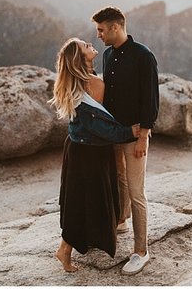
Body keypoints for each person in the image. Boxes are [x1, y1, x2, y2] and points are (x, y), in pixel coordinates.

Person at [49, 38, 138, 272]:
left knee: (77, 200)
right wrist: (129, 131)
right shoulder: (93, 84)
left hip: (76, 150)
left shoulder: (75, 82)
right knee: (85, 202)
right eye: (84, 46)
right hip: (91, 153)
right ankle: (64, 250)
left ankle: (69, 247)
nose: (90, 43)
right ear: (81, 58)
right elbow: (100, 127)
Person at [92, 6, 159, 276]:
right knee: (118, 180)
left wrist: (143, 135)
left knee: (136, 191)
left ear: (115, 27)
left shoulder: (144, 57)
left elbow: (151, 100)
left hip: (134, 135)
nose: (98, 35)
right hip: (113, 132)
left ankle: (141, 251)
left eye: (101, 30)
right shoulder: (108, 56)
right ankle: (121, 220)